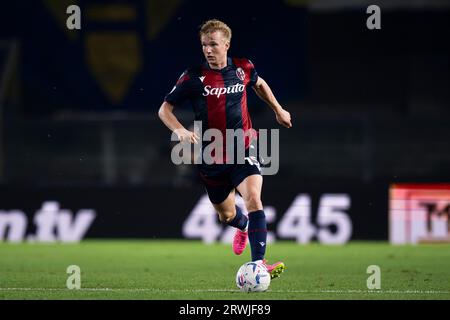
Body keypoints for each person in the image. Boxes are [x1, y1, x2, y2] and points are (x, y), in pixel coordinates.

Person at [158, 19, 292, 279]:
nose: (208, 50)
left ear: (226, 45)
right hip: (211, 155)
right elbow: (164, 110)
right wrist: (180, 131)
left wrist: (278, 109)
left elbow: (260, 83)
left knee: (254, 199)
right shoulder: (192, 77)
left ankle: (259, 264)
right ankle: (241, 226)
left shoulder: (243, 68)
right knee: (226, 214)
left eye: (213, 44)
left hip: (243, 148)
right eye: (204, 45)